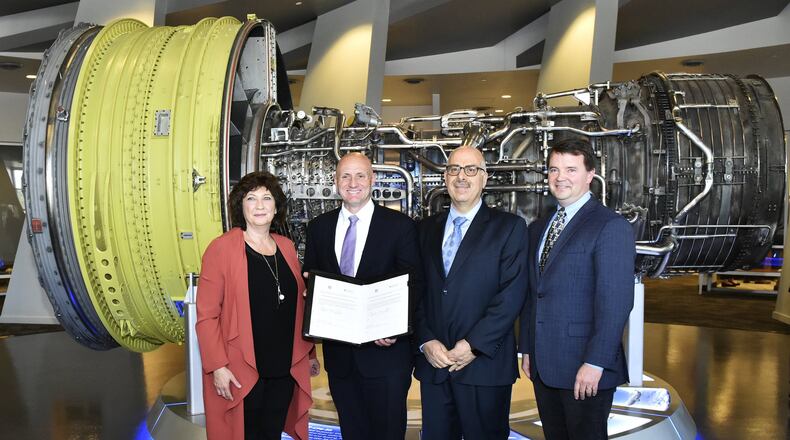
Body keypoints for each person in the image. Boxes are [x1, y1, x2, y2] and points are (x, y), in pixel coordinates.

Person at [518, 138, 635, 440]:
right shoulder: (538, 228)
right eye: (554, 170)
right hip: (545, 366)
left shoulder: (610, 226)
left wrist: (595, 362)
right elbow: (535, 294)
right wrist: (528, 348)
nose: (560, 178)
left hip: (586, 368)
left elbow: (616, 302)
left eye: (571, 169)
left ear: (590, 175)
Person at [302, 152, 423, 440]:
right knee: (352, 431)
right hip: (340, 358)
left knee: (388, 433)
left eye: (360, 175)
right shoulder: (319, 227)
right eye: (345, 175)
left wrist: (392, 328)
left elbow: (413, 284)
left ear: (372, 179)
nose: (352, 182)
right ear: (335, 181)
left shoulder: (400, 226)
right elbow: (311, 276)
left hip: (386, 356)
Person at [415, 145, 528, 439]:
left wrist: (473, 344)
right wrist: (426, 340)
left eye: (471, 170)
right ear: (445, 177)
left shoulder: (510, 228)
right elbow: (416, 291)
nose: (461, 177)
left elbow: (511, 295)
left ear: (485, 178)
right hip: (435, 366)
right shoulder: (424, 229)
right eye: (454, 169)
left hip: (485, 368)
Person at [196, 171, 320, 440]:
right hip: (241, 367)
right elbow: (206, 315)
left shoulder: (286, 247)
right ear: (241, 206)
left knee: (271, 433)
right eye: (251, 198)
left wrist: (309, 355)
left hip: (283, 367)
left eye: (267, 198)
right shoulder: (221, 249)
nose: (260, 205)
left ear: (276, 207)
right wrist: (217, 366)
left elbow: (296, 305)